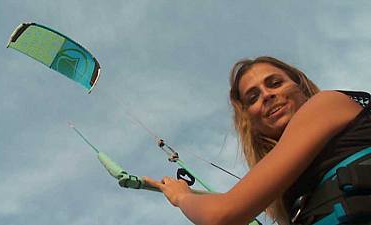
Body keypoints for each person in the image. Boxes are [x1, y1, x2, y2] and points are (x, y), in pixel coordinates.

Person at [144, 56, 371, 225]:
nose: (267, 95)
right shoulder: (294, 195)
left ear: (300, 87)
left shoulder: (326, 104)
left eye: (274, 83)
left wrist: (181, 196)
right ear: (249, 120)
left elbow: (220, 215)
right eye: (253, 97)